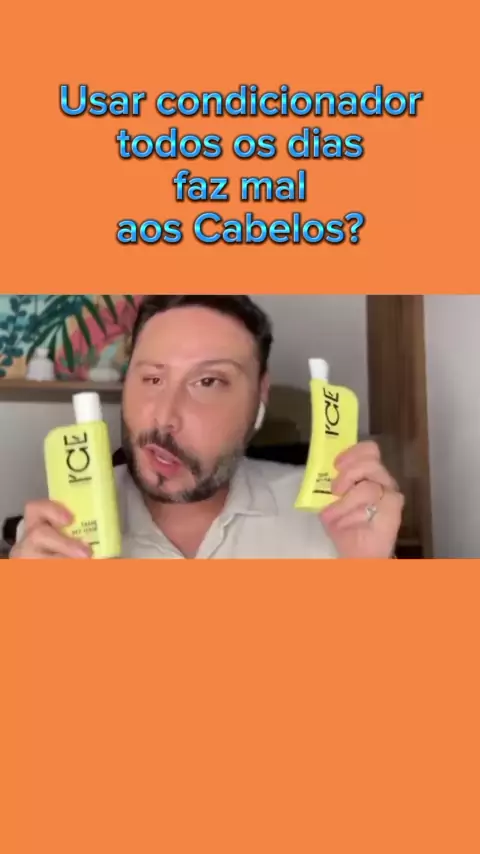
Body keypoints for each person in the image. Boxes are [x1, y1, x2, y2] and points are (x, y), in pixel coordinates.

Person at [10, 295, 404, 559]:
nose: (165, 416)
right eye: (152, 379)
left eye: (208, 382)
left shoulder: (333, 517)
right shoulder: (59, 531)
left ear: (260, 395)